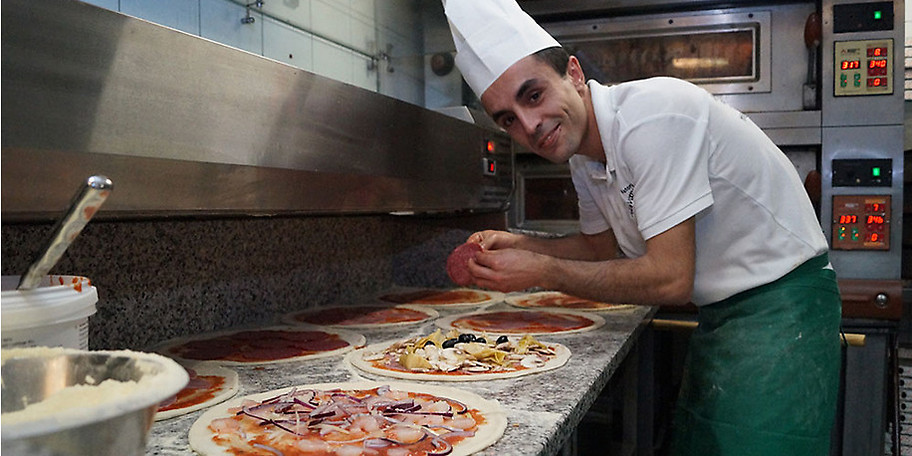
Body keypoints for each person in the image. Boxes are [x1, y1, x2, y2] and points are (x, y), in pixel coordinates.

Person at [442, 1, 842, 455]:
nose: (530, 126)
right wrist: (521, 243)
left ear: (573, 73)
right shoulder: (583, 155)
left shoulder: (653, 116)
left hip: (783, 307)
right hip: (722, 316)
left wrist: (539, 270)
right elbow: (598, 248)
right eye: (508, 119)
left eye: (533, 95)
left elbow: (670, 278)